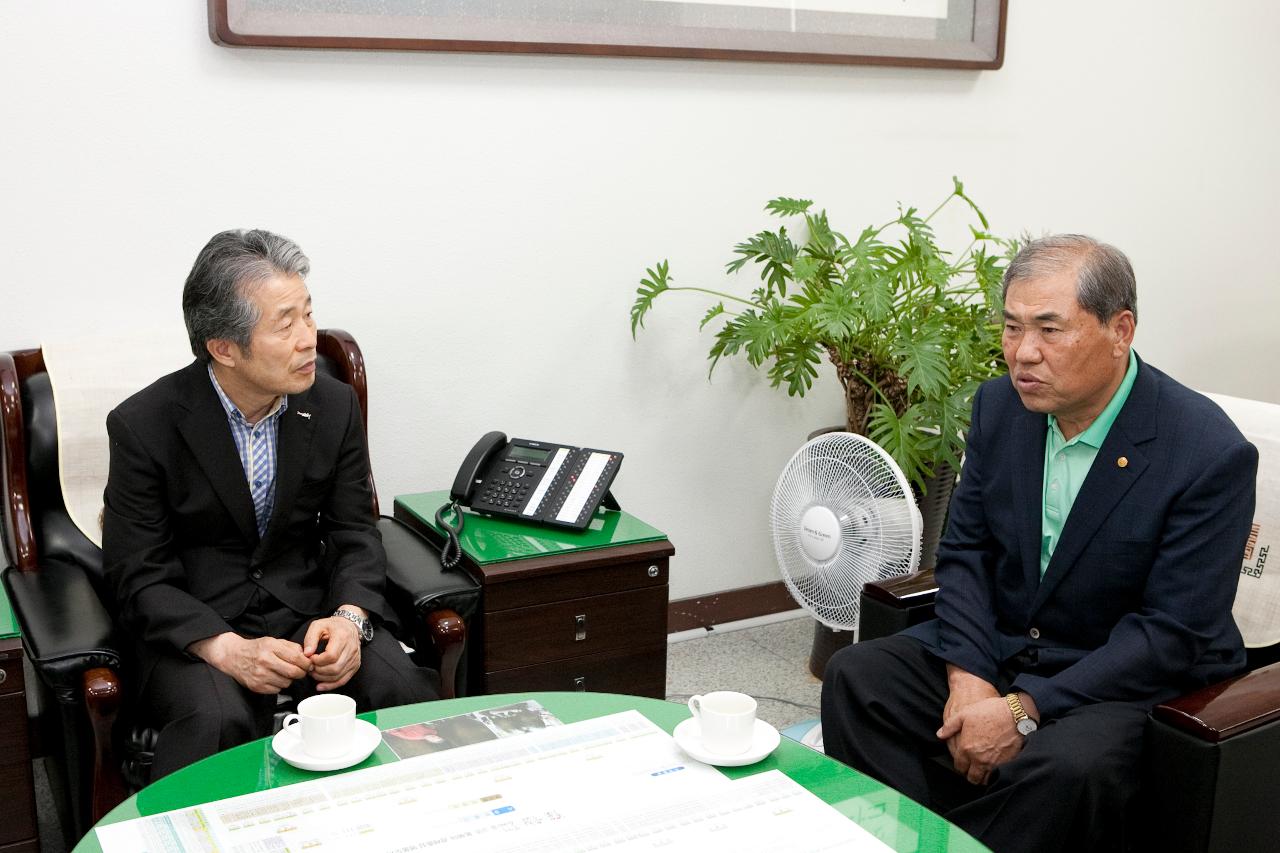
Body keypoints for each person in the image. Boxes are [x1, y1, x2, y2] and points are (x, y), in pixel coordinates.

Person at [820, 234, 1257, 853]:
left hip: (1125, 675)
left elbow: (1173, 631)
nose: (1023, 354)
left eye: (1050, 330)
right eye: (1012, 327)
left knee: (1064, 769)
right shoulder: (1002, 407)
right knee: (858, 677)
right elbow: (967, 553)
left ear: (1120, 328)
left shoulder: (1207, 453)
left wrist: (1024, 709)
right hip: (1007, 647)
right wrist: (969, 678)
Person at [103, 229, 438, 778]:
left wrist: (350, 618)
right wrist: (222, 646)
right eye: (286, 324)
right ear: (224, 348)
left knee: (400, 690)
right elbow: (137, 574)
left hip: (311, 612)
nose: (309, 339)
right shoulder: (145, 425)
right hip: (202, 624)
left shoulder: (332, 405)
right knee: (216, 720)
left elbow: (356, 532)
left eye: (308, 314)